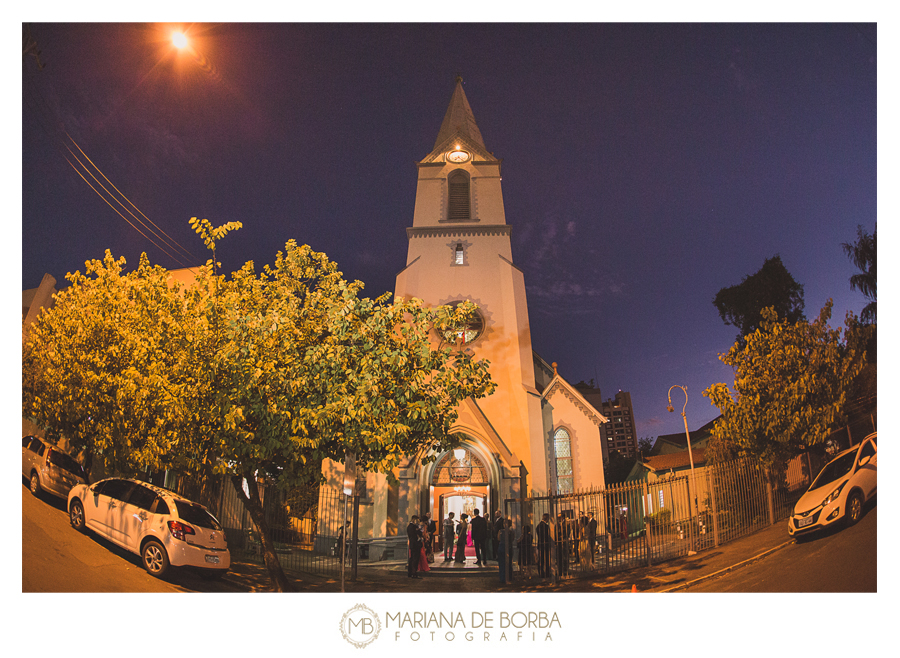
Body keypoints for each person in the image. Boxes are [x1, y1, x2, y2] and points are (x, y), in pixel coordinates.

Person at [536, 513, 552, 578]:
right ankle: (547, 573)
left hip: (540, 544)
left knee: (541, 559)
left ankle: (541, 572)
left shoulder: (538, 526)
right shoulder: (546, 526)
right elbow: (548, 536)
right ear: (547, 518)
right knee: (547, 559)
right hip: (546, 544)